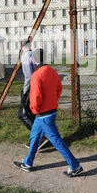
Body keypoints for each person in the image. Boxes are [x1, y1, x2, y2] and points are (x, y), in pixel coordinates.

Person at [14, 48, 83, 177]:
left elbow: (35, 97)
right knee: (34, 137)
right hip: (49, 112)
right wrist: (53, 102)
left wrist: (35, 110)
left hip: (43, 114)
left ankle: (75, 166)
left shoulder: (36, 75)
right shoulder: (52, 71)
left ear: (34, 60)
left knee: (56, 141)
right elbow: (59, 89)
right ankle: (28, 163)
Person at [18, 40, 49, 150]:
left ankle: (41, 139)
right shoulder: (34, 55)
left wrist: (25, 90)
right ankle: (37, 140)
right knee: (33, 114)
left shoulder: (26, 57)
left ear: (22, 46)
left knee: (23, 115)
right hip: (39, 87)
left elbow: (29, 76)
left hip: (31, 88)